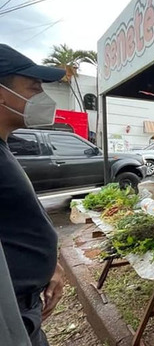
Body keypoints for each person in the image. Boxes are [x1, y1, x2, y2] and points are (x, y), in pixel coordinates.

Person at [0, 43, 66, 345]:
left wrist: (50, 264)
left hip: (24, 307)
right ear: (2, 93)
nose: (43, 98)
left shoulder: (5, 147)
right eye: (34, 87)